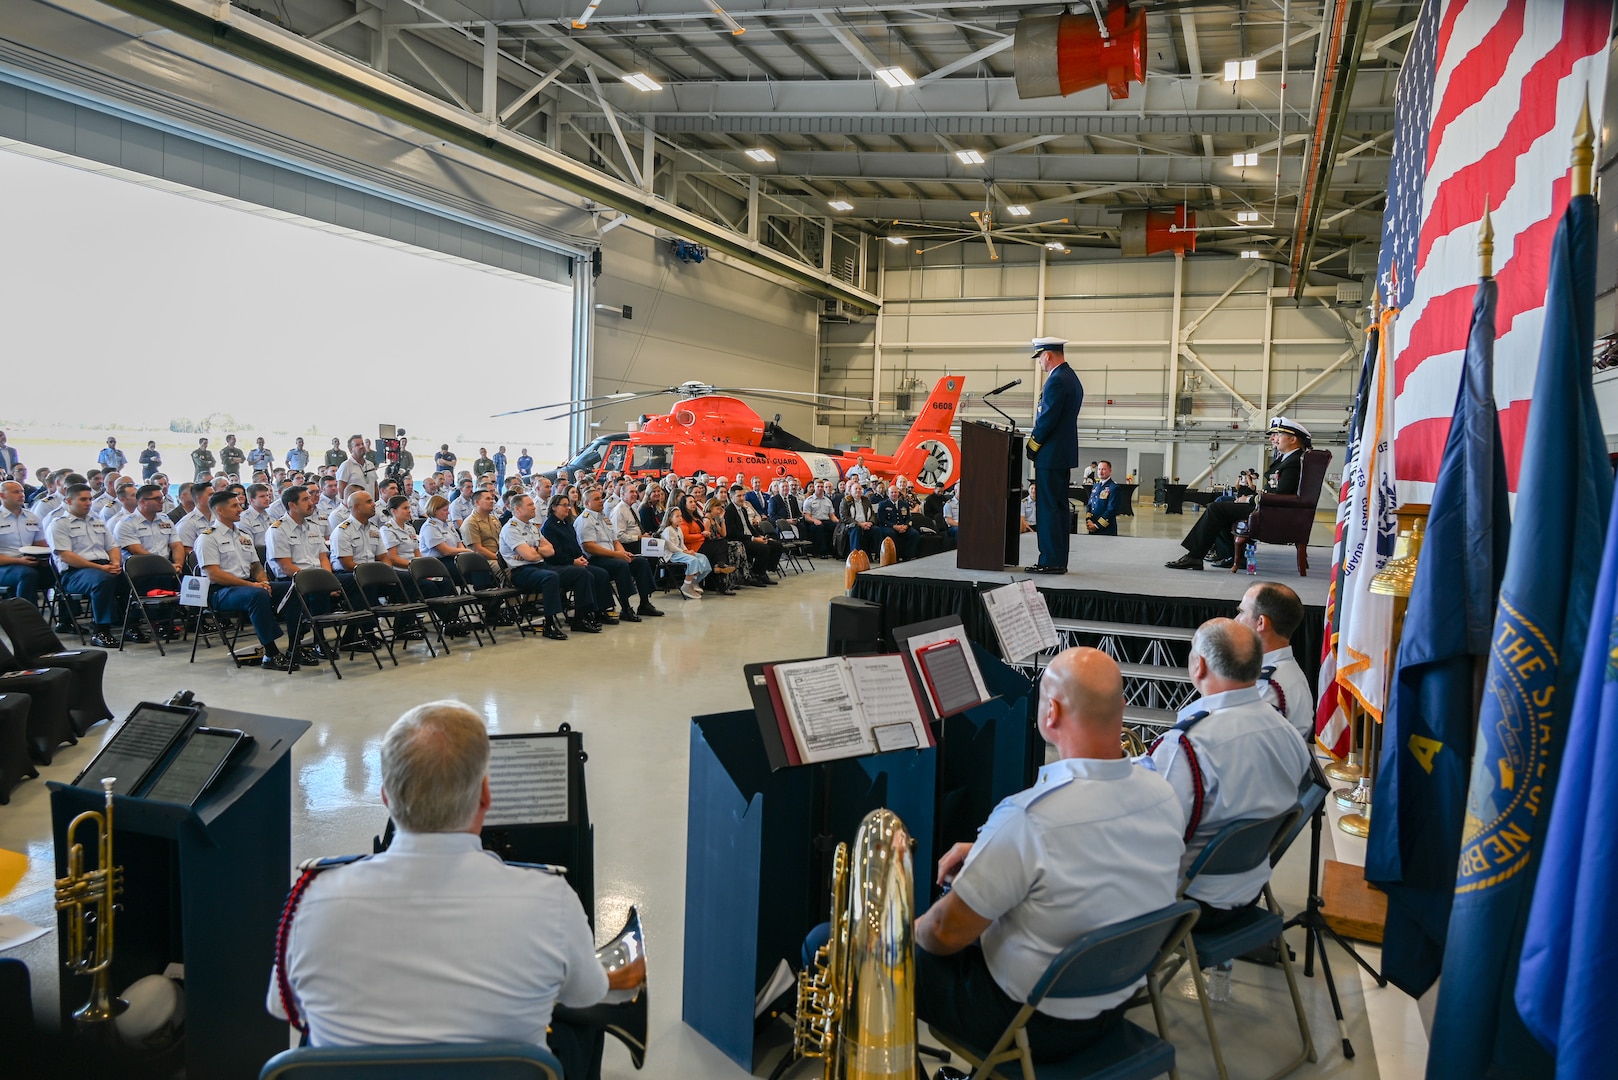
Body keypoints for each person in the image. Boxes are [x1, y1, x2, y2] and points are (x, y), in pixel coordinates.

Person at [267, 701, 640, 1079]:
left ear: (385, 797)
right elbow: (588, 995)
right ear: (485, 797)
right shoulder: (549, 899)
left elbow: (285, 1008)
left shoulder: (312, 899)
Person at [876, 648, 1185, 1062]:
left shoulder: (1029, 818)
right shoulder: (1164, 793)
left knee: (834, 943)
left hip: (1027, 1023)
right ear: (1120, 709)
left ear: (1051, 712)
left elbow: (943, 936)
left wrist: (893, 935)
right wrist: (992, 851)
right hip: (1116, 1001)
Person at [1139, 618, 1310, 928]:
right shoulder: (1287, 731)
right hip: (1250, 888)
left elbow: (1153, 834)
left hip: (1190, 900)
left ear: (1198, 666)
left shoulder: (1187, 745)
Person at [1166, 417, 1309, 571]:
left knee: (1216, 508)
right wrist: (1248, 495)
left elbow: (1280, 495)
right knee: (1221, 503)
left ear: (1293, 439)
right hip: (1270, 507)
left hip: (1273, 511)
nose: (1272, 438)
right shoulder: (1291, 459)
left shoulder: (1294, 462)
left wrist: (1248, 498)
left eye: (1278, 435)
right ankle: (1231, 555)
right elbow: (1276, 492)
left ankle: (1194, 556)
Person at [195, 491, 296, 669]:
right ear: (220, 510)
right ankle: (271, 654)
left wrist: (263, 581)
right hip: (220, 592)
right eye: (234, 506)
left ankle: (295, 645)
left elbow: (256, 566)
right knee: (256, 595)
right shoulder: (207, 538)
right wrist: (253, 585)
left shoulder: (243, 536)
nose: (240, 508)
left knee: (293, 587)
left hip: (246, 586)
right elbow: (214, 574)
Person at [1024, 338, 1082, 573]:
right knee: (1057, 509)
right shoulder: (1071, 377)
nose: (1039, 363)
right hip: (1061, 454)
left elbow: (1047, 418)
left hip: (1051, 454)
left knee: (1048, 510)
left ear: (1047, 355)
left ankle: (1049, 560)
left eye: (1039, 358)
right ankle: (1057, 560)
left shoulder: (1057, 380)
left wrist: (1033, 444)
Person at [48, 484, 124, 647]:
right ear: (68, 500)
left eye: (89, 499)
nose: (88, 503)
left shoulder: (97, 520)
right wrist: (101, 568)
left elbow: (112, 546)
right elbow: (66, 555)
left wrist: (116, 563)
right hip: (74, 573)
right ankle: (101, 631)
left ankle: (131, 625)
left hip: (104, 567)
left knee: (128, 577)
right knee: (103, 580)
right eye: (83, 499)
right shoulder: (59, 524)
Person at [1237, 582, 1314, 740]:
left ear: (1261, 623)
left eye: (1241, 612)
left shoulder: (1267, 688)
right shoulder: (1285, 671)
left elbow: (1247, 747)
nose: (1236, 619)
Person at [576, 487, 662, 621]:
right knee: (621, 565)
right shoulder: (585, 519)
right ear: (587, 504)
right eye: (596, 499)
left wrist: (623, 552)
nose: (601, 501)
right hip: (596, 559)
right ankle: (626, 607)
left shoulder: (603, 517)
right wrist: (616, 555)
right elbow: (589, 546)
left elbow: (615, 540)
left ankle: (644, 603)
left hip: (611, 555)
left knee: (640, 562)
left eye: (601, 498)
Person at [499, 494, 573, 640]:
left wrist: (534, 549)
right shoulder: (511, 529)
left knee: (579, 573)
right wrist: (536, 551)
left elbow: (551, 551)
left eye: (533, 504)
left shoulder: (532, 527)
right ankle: (549, 624)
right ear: (518, 509)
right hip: (520, 571)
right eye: (530, 505)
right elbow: (530, 557)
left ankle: (582, 617)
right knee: (550, 577)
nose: (534, 507)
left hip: (539, 566)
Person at [542, 494, 615, 629]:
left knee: (601, 573)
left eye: (568, 505)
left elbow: (576, 547)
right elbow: (555, 553)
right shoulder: (550, 526)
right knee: (584, 575)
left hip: (573, 561)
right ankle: (580, 617)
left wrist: (582, 558)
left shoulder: (566, 524)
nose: (567, 508)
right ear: (553, 507)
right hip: (558, 564)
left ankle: (600, 611)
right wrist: (573, 561)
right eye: (564, 505)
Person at [0, 479, 50, 607]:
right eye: (16, 492)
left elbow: (41, 545)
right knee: (27, 574)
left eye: (22, 491)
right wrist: (19, 561)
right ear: (2, 496)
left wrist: (44, 558)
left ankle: (65, 620)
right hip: (5, 566)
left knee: (60, 572)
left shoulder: (31, 517)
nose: (21, 495)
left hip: (29, 562)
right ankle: (27, 619)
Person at [116, 484, 182, 571]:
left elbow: (177, 545)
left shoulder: (165, 520)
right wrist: (166, 566)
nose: (162, 501)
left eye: (162, 497)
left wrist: (178, 565)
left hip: (168, 567)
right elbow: (137, 551)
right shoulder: (126, 523)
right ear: (143, 502)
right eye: (157, 499)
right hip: (142, 569)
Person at [725, 487, 781, 584]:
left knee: (777, 546)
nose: (742, 498)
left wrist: (759, 536)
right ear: (731, 497)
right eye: (739, 496)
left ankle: (763, 571)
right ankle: (757, 573)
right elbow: (733, 533)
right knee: (764, 548)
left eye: (743, 495)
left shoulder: (743, 509)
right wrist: (753, 539)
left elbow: (749, 527)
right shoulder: (729, 511)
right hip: (740, 540)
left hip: (750, 537)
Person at [659, 506, 709, 600]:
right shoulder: (668, 530)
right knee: (693, 560)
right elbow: (671, 547)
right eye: (677, 516)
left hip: (680, 552)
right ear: (670, 518)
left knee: (702, 558)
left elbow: (681, 543)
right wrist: (684, 552)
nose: (680, 518)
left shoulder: (679, 529)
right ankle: (686, 585)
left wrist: (687, 551)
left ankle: (694, 580)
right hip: (672, 555)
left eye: (681, 516)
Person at [1085, 460, 1118, 536]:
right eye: (1099, 469)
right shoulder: (1096, 486)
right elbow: (1090, 505)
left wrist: (1097, 526)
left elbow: (1111, 510)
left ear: (1110, 471)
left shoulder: (1114, 488)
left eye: (1104, 469)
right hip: (1092, 527)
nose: (1101, 471)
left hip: (1106, 530)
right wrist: (1089, 520)